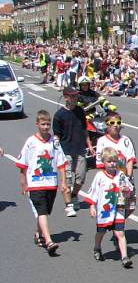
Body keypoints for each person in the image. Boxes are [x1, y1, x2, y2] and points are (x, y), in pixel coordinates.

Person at [15, 109, 68, 256]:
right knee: (42, 211)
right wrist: (23, 182)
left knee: (44, 212)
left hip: (51, 182)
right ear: (37, 124)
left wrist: (63, 181)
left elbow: (61, 162)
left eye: (48, 124)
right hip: (35, 183)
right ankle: (49, 241)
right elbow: (23, 164)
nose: (46, 127)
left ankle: (38, 234)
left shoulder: (54, 142)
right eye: (43, 124)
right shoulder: (31, 142)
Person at [85, 147, 133, 267]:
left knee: (120, 233)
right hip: (104, 209)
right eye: (109, 161)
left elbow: (129, 188)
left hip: (118, 208)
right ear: (104, 162)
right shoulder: (99, 176)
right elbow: (94, 192)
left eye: (114, 161)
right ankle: (97, 247)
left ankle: (125, 257)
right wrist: (92, 206)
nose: (112, 164)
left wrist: (126, 189)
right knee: (101, 232)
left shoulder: (121, 175)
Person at [53, 87, 92, 218]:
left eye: (76, 96)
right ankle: (68, 204)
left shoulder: (80, 111)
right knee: (67, 180)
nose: (75, 98)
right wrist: (56, 147)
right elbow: (57, 135)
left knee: (81, 178)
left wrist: (90, 145)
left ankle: (74, 195)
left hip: (80, 149)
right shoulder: (59, 115)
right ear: (66, 98)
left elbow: (84, 130)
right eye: (72, 96)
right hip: (66, 151)